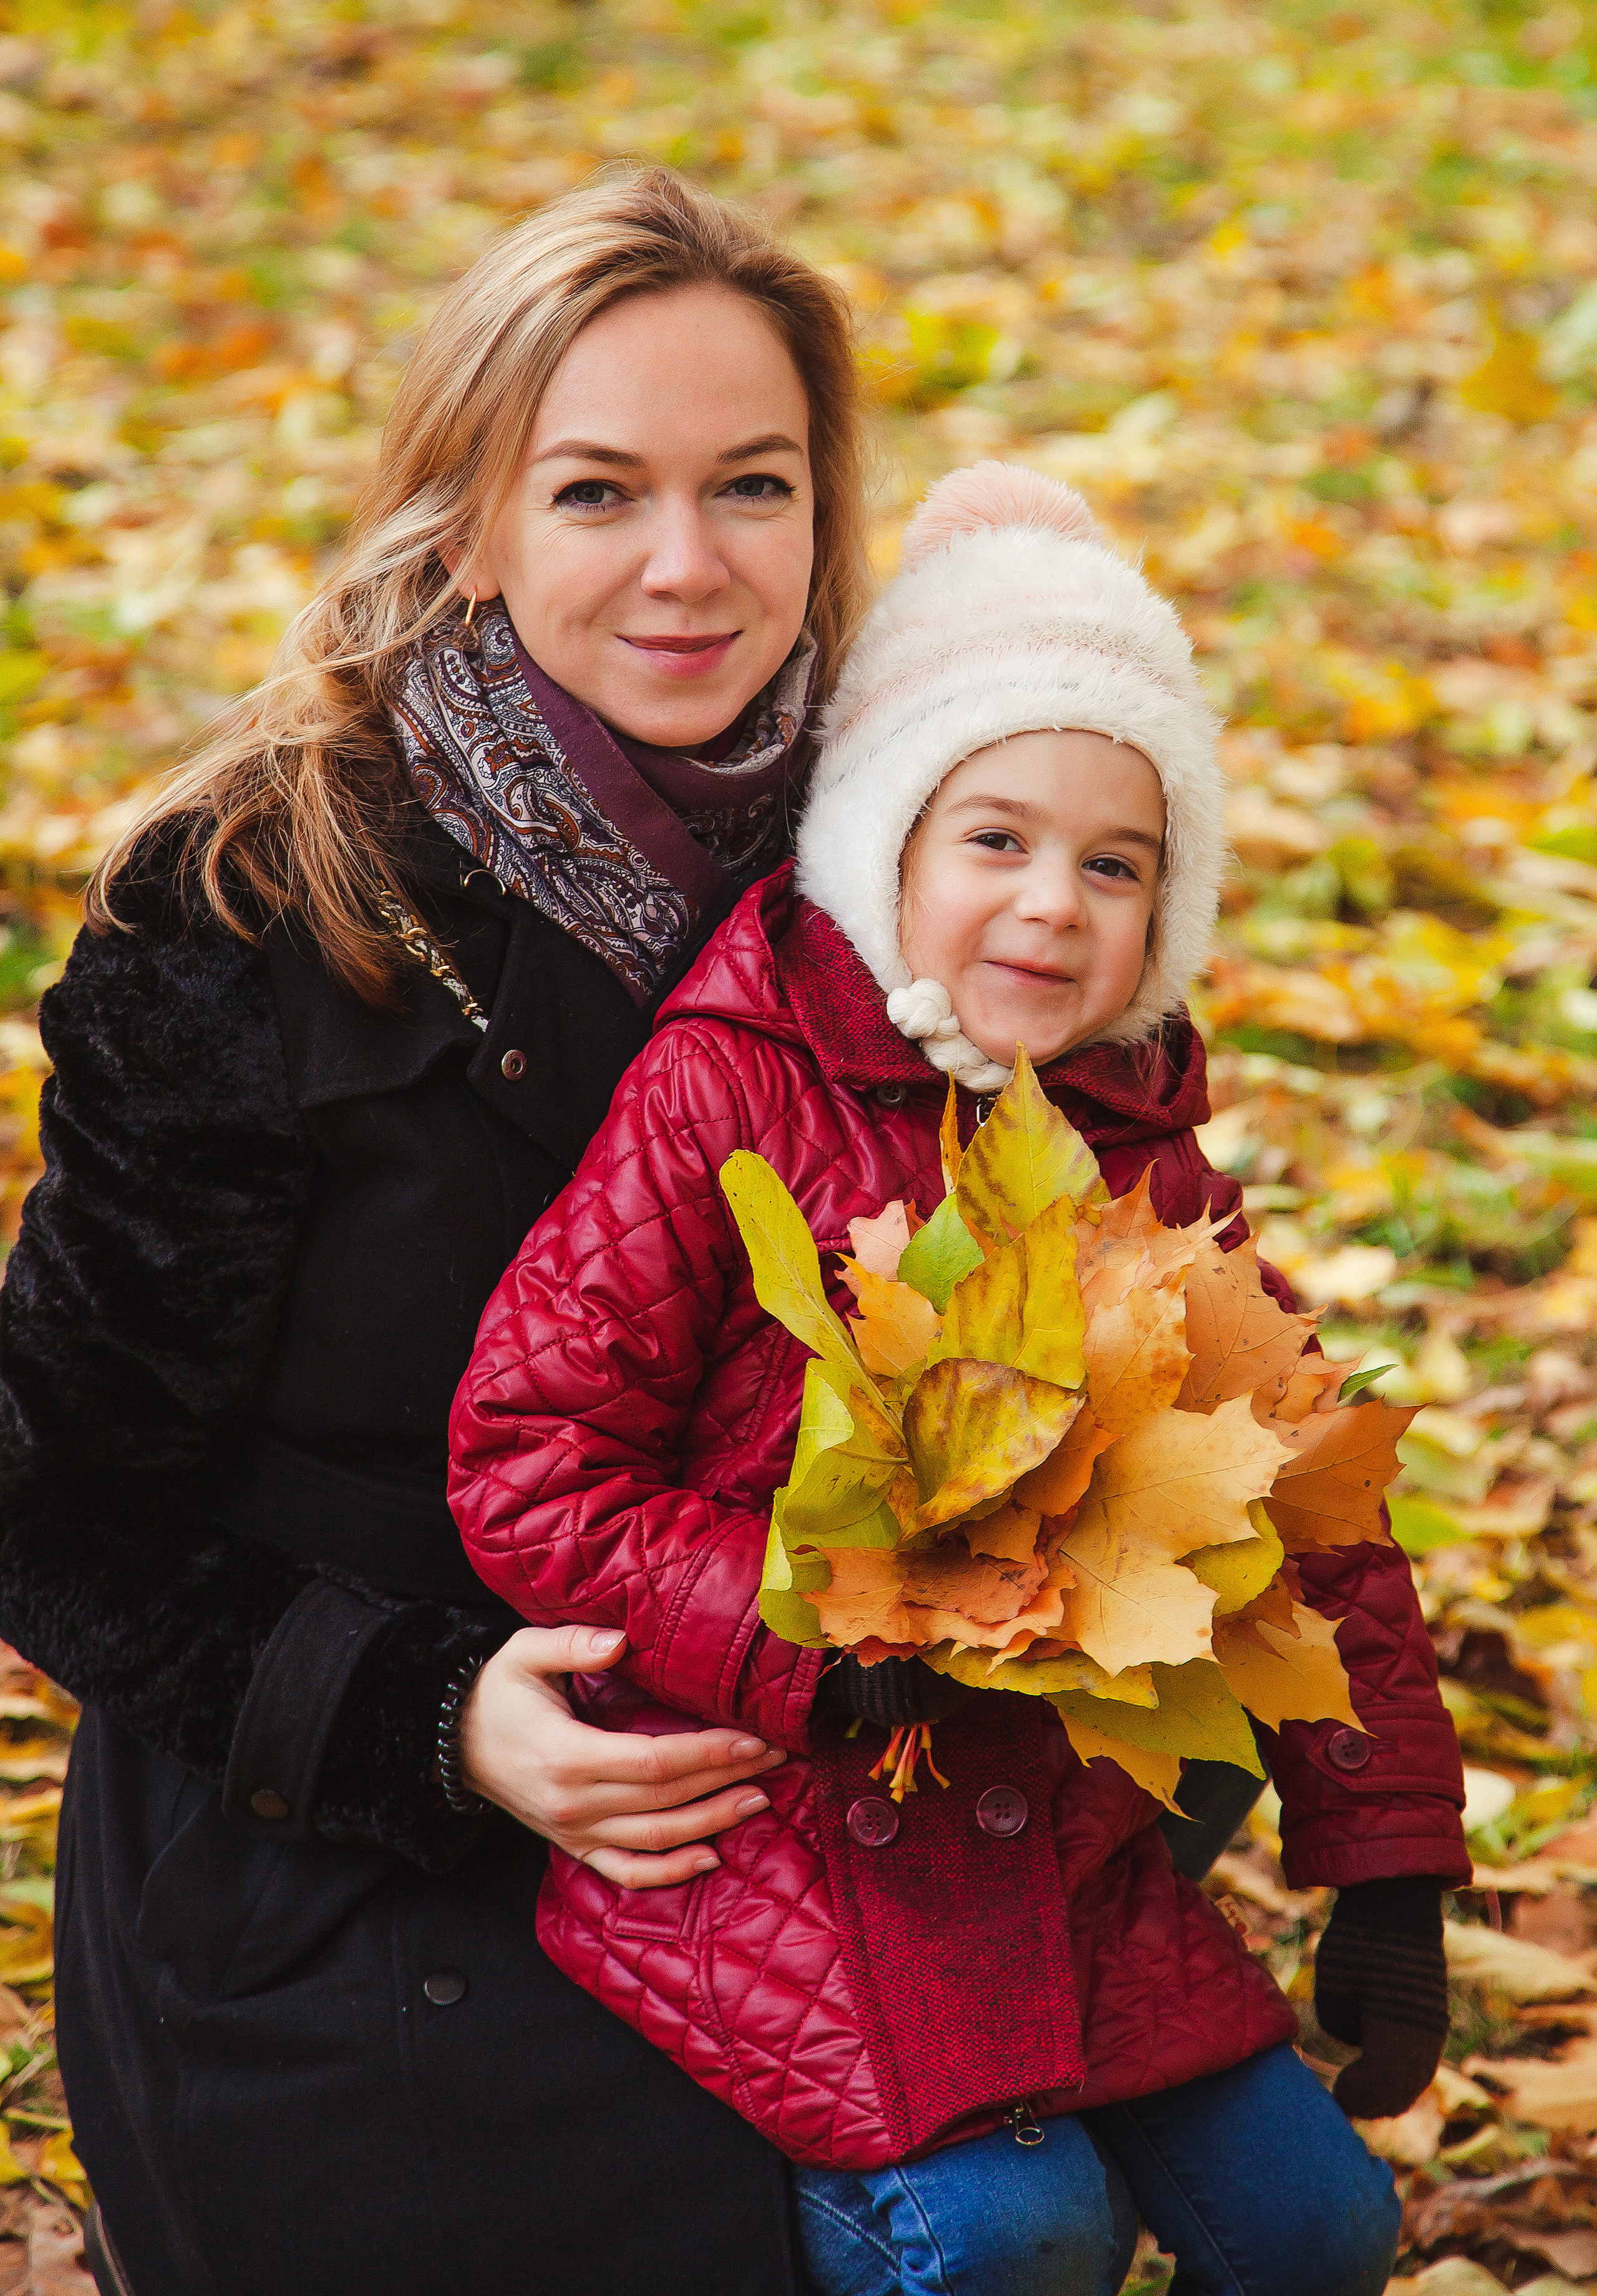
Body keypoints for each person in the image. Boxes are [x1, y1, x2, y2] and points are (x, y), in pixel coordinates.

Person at [450, 463, 1471, 2296]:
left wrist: (1383, 1848)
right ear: (884, 847)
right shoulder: (730, 1089)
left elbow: (1313, 1516)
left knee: (1323, 2220)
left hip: (1058, 1858)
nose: (1050, 908)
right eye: (992, 839)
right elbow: (530, 1456)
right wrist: (810, 1636)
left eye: (1115, 864)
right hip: (771, 1835)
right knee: (1010, 2236)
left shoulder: (1150, 1159)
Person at [0, 168, 874, 2296]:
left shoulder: (933, 858)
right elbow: (55, 1505)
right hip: (350, 1889)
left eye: (752, 486)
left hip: (827, 1842)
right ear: (467, 515)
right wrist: (432, 1718)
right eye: (595, 494)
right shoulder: (248, 915)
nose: (687, 567)